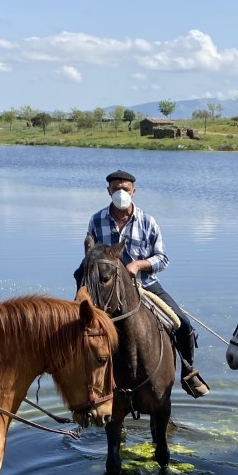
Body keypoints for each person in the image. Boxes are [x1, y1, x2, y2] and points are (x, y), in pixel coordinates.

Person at [82, 170, 210, 398]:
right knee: (82, 329)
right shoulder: (96, 220)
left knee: (183, 324)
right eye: (116, 189)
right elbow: (90, 258)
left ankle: (189, 372)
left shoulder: (147, 221)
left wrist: (139, 265)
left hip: (147, 285)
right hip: (107, 292)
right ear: (108, 191)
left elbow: (162, 259)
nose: (121, 193)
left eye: (126, 189)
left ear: (134, 191)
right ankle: (86, 384)